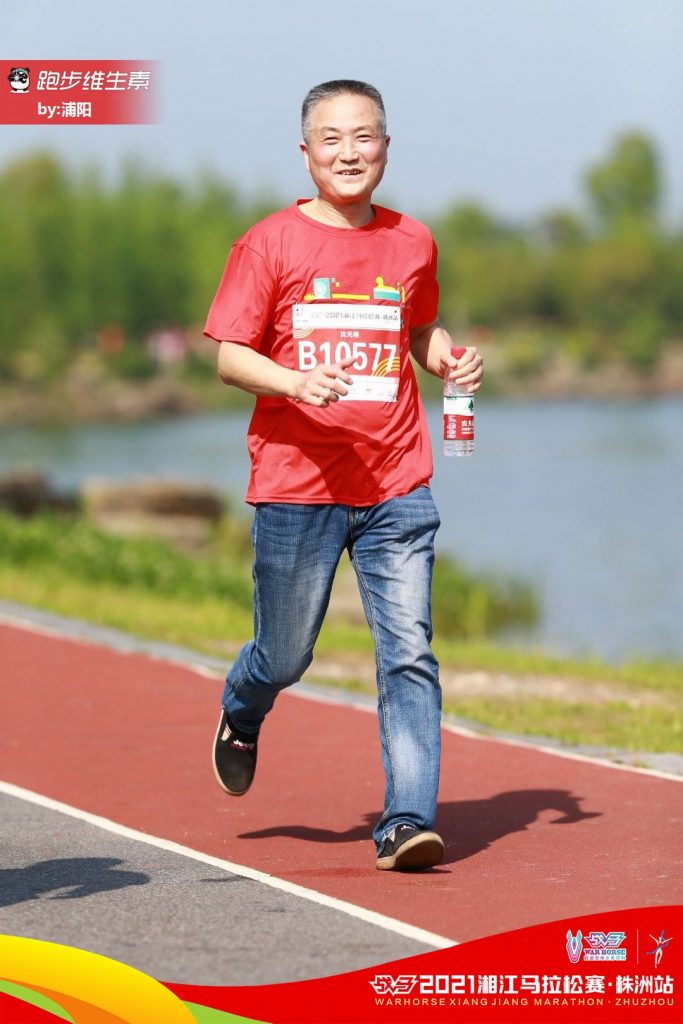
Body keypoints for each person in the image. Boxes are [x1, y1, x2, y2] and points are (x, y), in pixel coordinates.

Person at [204, 79, 483, 871]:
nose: (349, 152)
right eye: (331, 138)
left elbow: (418, 330)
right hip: (297, 487)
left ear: (386, 147)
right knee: (286, 654)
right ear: (306, 152)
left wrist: (450, 360)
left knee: (408, 653)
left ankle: (404, 821)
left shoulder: (412, 242)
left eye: (364, 137)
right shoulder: (270, 243)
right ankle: (243, 704)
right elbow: (228, 355)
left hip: (396, 480)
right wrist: (294, 383)